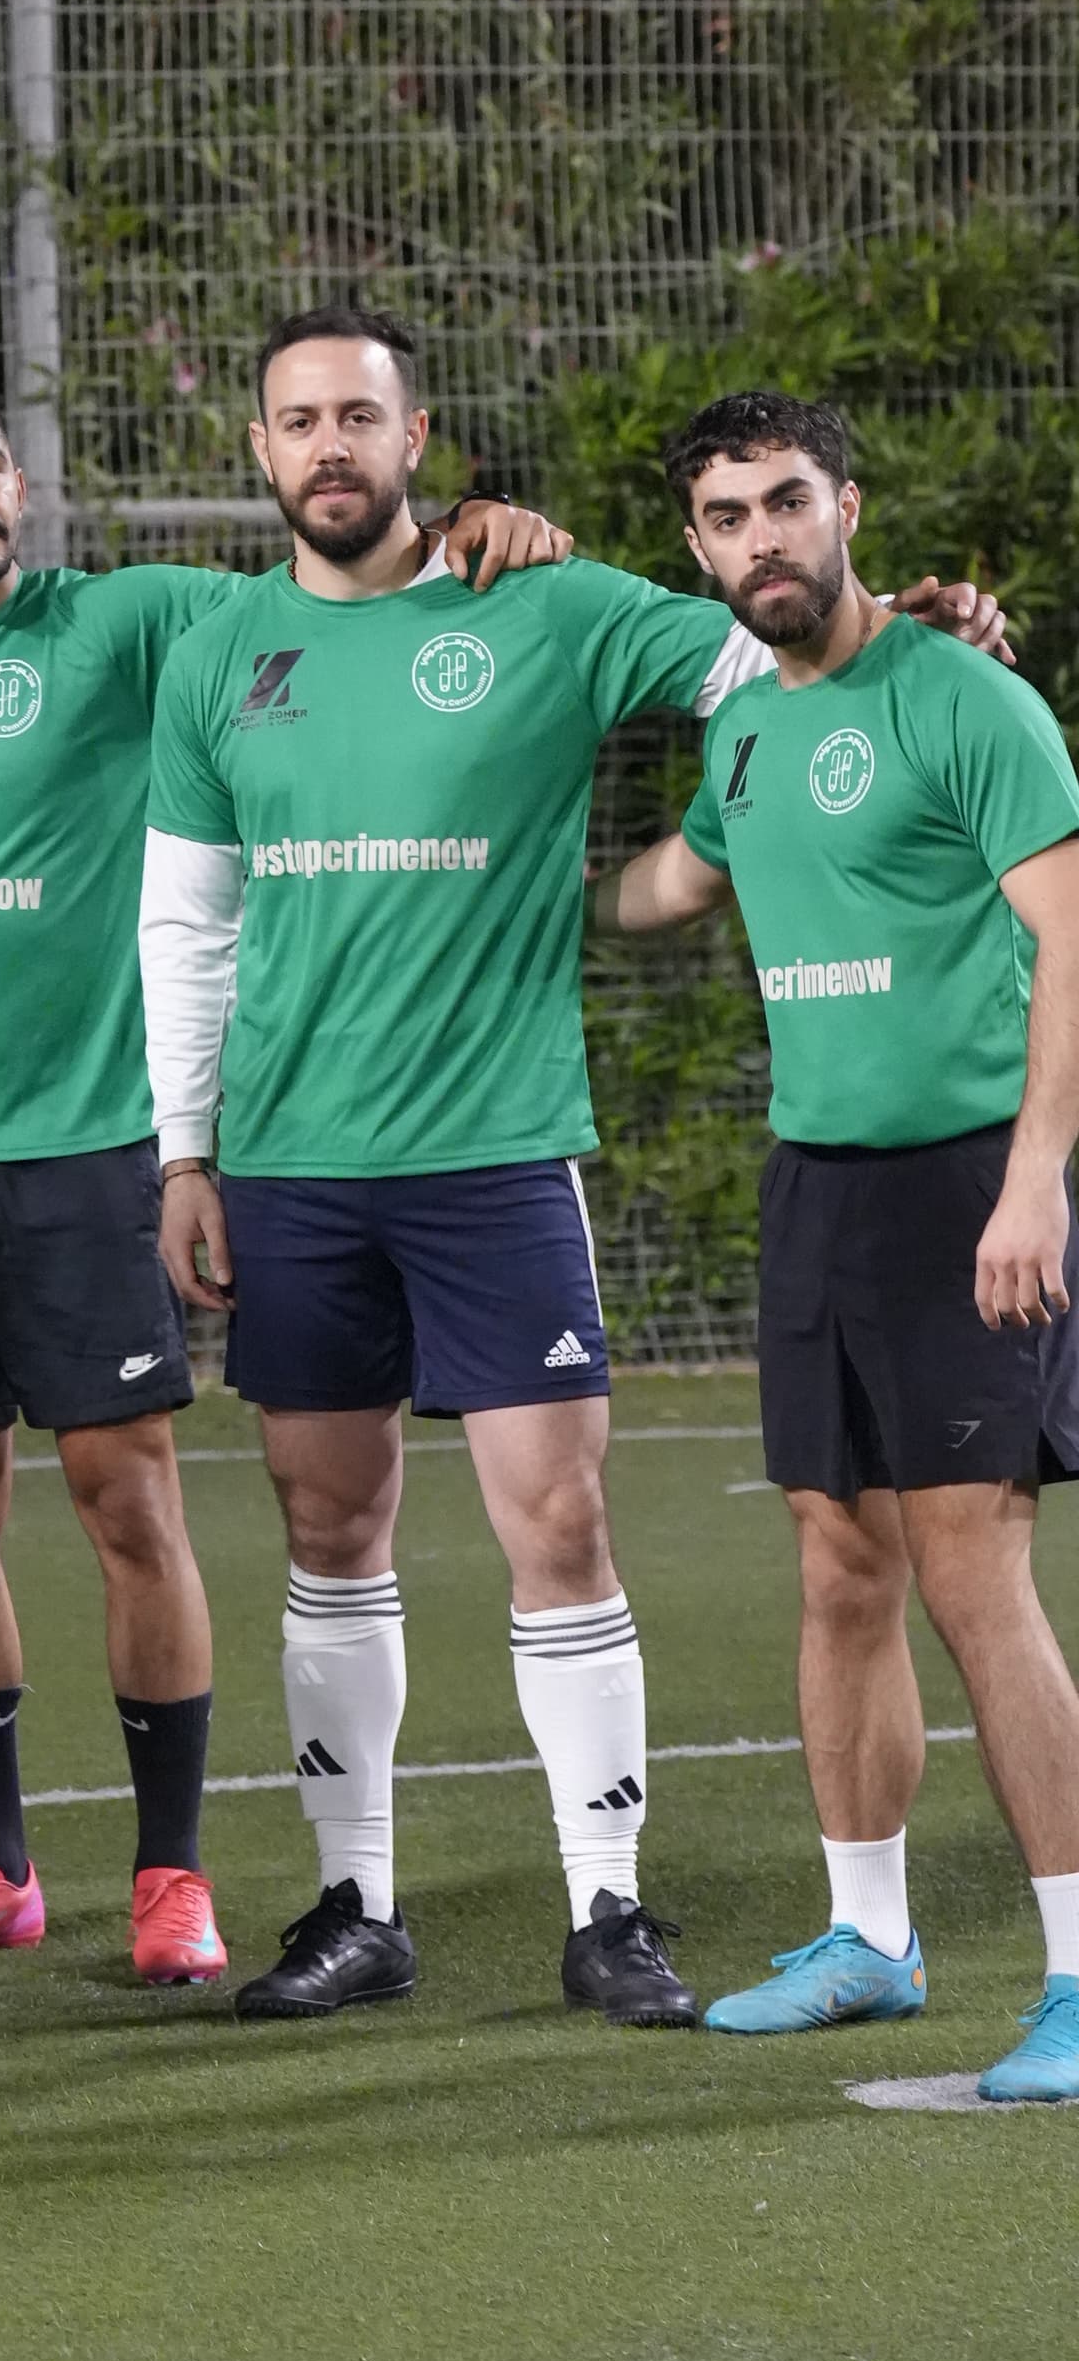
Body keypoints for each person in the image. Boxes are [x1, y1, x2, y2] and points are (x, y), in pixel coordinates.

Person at [144, 307, 1005, 2035]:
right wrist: (187, 1150)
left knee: (561, 1524)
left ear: (417, 433)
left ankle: (607, 1911)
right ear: (260, 449)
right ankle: (355, 1905)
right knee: (330, 1529)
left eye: (360, 417)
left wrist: (926, 634)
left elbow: (782, 660)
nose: (331, 445)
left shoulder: (544, 600)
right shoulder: (216, 653)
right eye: (299, 420)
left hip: (496, 1150)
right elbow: (190, 916)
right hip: (296, 1162)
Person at [0, 382, 561, 1984]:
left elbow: (319, 591)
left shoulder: (121, 623)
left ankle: (173, 1874)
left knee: (129, 1506)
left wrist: (467, 535)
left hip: (91, 1146)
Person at [598, 387, 1079, 2102]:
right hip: (816, 1189)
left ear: (849, 506)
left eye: (786, 502)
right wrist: (519, 890)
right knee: (837, 1563)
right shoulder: (743, 732)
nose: (761, 540)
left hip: (967, 1186)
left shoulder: (967, 698)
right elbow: (679, 881)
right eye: (727, 517)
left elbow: (1070, 942)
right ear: (699, 546)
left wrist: (1038, 1181)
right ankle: (869, 1938)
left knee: (972, 1575)